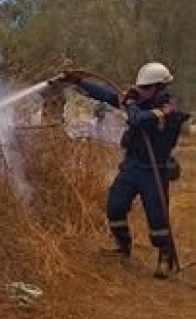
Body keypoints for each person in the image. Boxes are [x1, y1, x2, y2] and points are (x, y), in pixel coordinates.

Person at [59, 62, 191, 279]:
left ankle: (165, 256)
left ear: (160, 88)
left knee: (157, 218)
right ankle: (123, 246)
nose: (141, 91)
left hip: (154, 169)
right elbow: (108, 96)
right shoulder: (139, 102)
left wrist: (130, 102)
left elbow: (139, 120)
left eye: (146, 88)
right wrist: (80, 82)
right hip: (133, 165)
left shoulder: (169, 110)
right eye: (141, 87)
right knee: (115, 206)